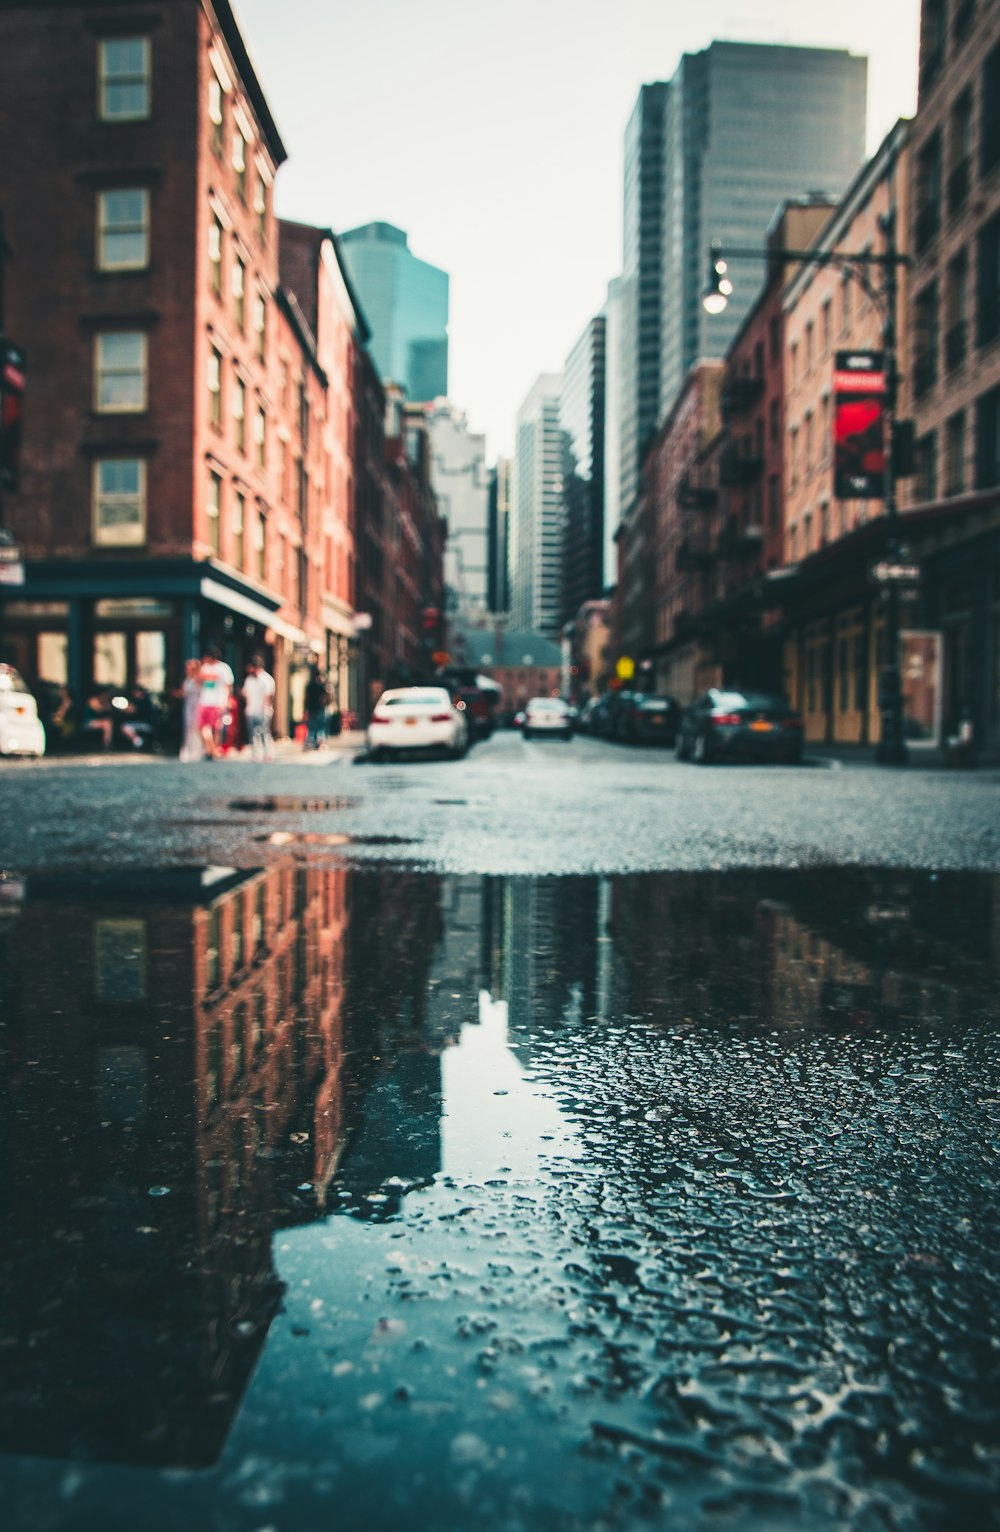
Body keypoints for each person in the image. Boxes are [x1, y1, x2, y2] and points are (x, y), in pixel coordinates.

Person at [197, 646, 235, 760]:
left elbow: (228, 685)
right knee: (202, 726)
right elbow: (199, 683)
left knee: (216, 728)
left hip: (218, 701)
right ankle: (211, 748)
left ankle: (214, 749)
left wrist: (228, 699)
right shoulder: (204, 668)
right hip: (204, 700)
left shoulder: (223, 668)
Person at [241, 655, 276, 762]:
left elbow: (268, 696)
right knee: (252, 734)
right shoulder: (249, 680)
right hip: (251, 710)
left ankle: (267, 753)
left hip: (263, 710)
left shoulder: (266, 679)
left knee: (264, 732)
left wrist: (266, 709)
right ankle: (255, 754)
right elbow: (245, 694)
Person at [179, 658, 203, 761]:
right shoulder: (186, 680)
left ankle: (197, 751)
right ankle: (187, 750)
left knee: (196, 727)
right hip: (188, 705)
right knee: (187, 727)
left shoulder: (199, 679)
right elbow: (183, 693)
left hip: (197, 704)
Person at [303, 665, 329, 750]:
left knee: (312, 727)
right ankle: (319, 743)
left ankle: (310, 743)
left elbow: (305, 698)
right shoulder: (321, 686)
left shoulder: (309, 686)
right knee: (319, 727)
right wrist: (324, 703)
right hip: (319, 708)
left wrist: (305, 709)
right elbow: (326, 696)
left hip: (311, 708)